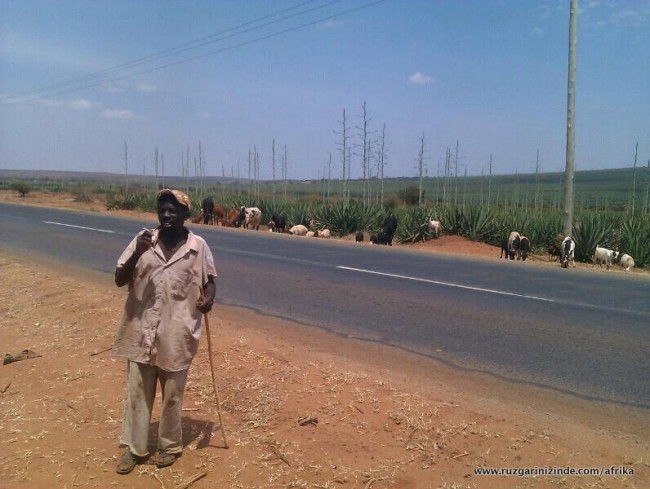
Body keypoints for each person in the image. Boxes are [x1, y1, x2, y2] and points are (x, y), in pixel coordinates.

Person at [112, 188, 217, 474]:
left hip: (177, 334)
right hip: (141, 332)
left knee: (172, 395)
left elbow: (210, 281)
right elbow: (120, 279)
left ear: (186, 215)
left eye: (173, 210)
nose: (166, 214)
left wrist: (208, 299)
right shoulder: (143, 240)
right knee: (137, 394)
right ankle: (135, 449)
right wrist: (137, 252)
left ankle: (169, 447)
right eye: (162, 209)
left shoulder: (198, 246)